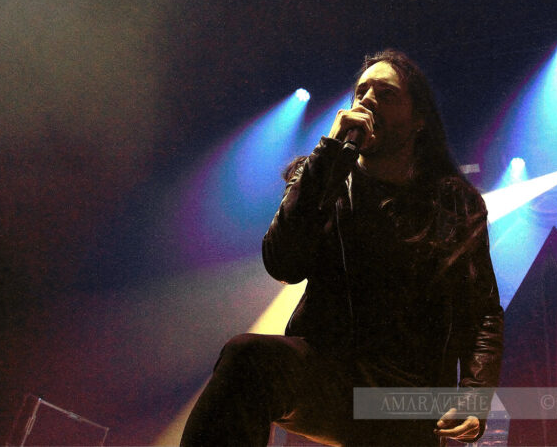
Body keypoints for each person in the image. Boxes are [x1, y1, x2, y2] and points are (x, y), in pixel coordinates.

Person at [181, 50, 504, 446]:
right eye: (361, 91)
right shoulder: (321, 177)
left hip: (407, 396)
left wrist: (475, 394)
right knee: (247, 358)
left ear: (419, 119)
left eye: (386, 94)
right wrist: (326, 159)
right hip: (330, 374)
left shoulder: (455, 204)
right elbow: (283, 263)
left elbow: (482, 309)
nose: (368, 100)